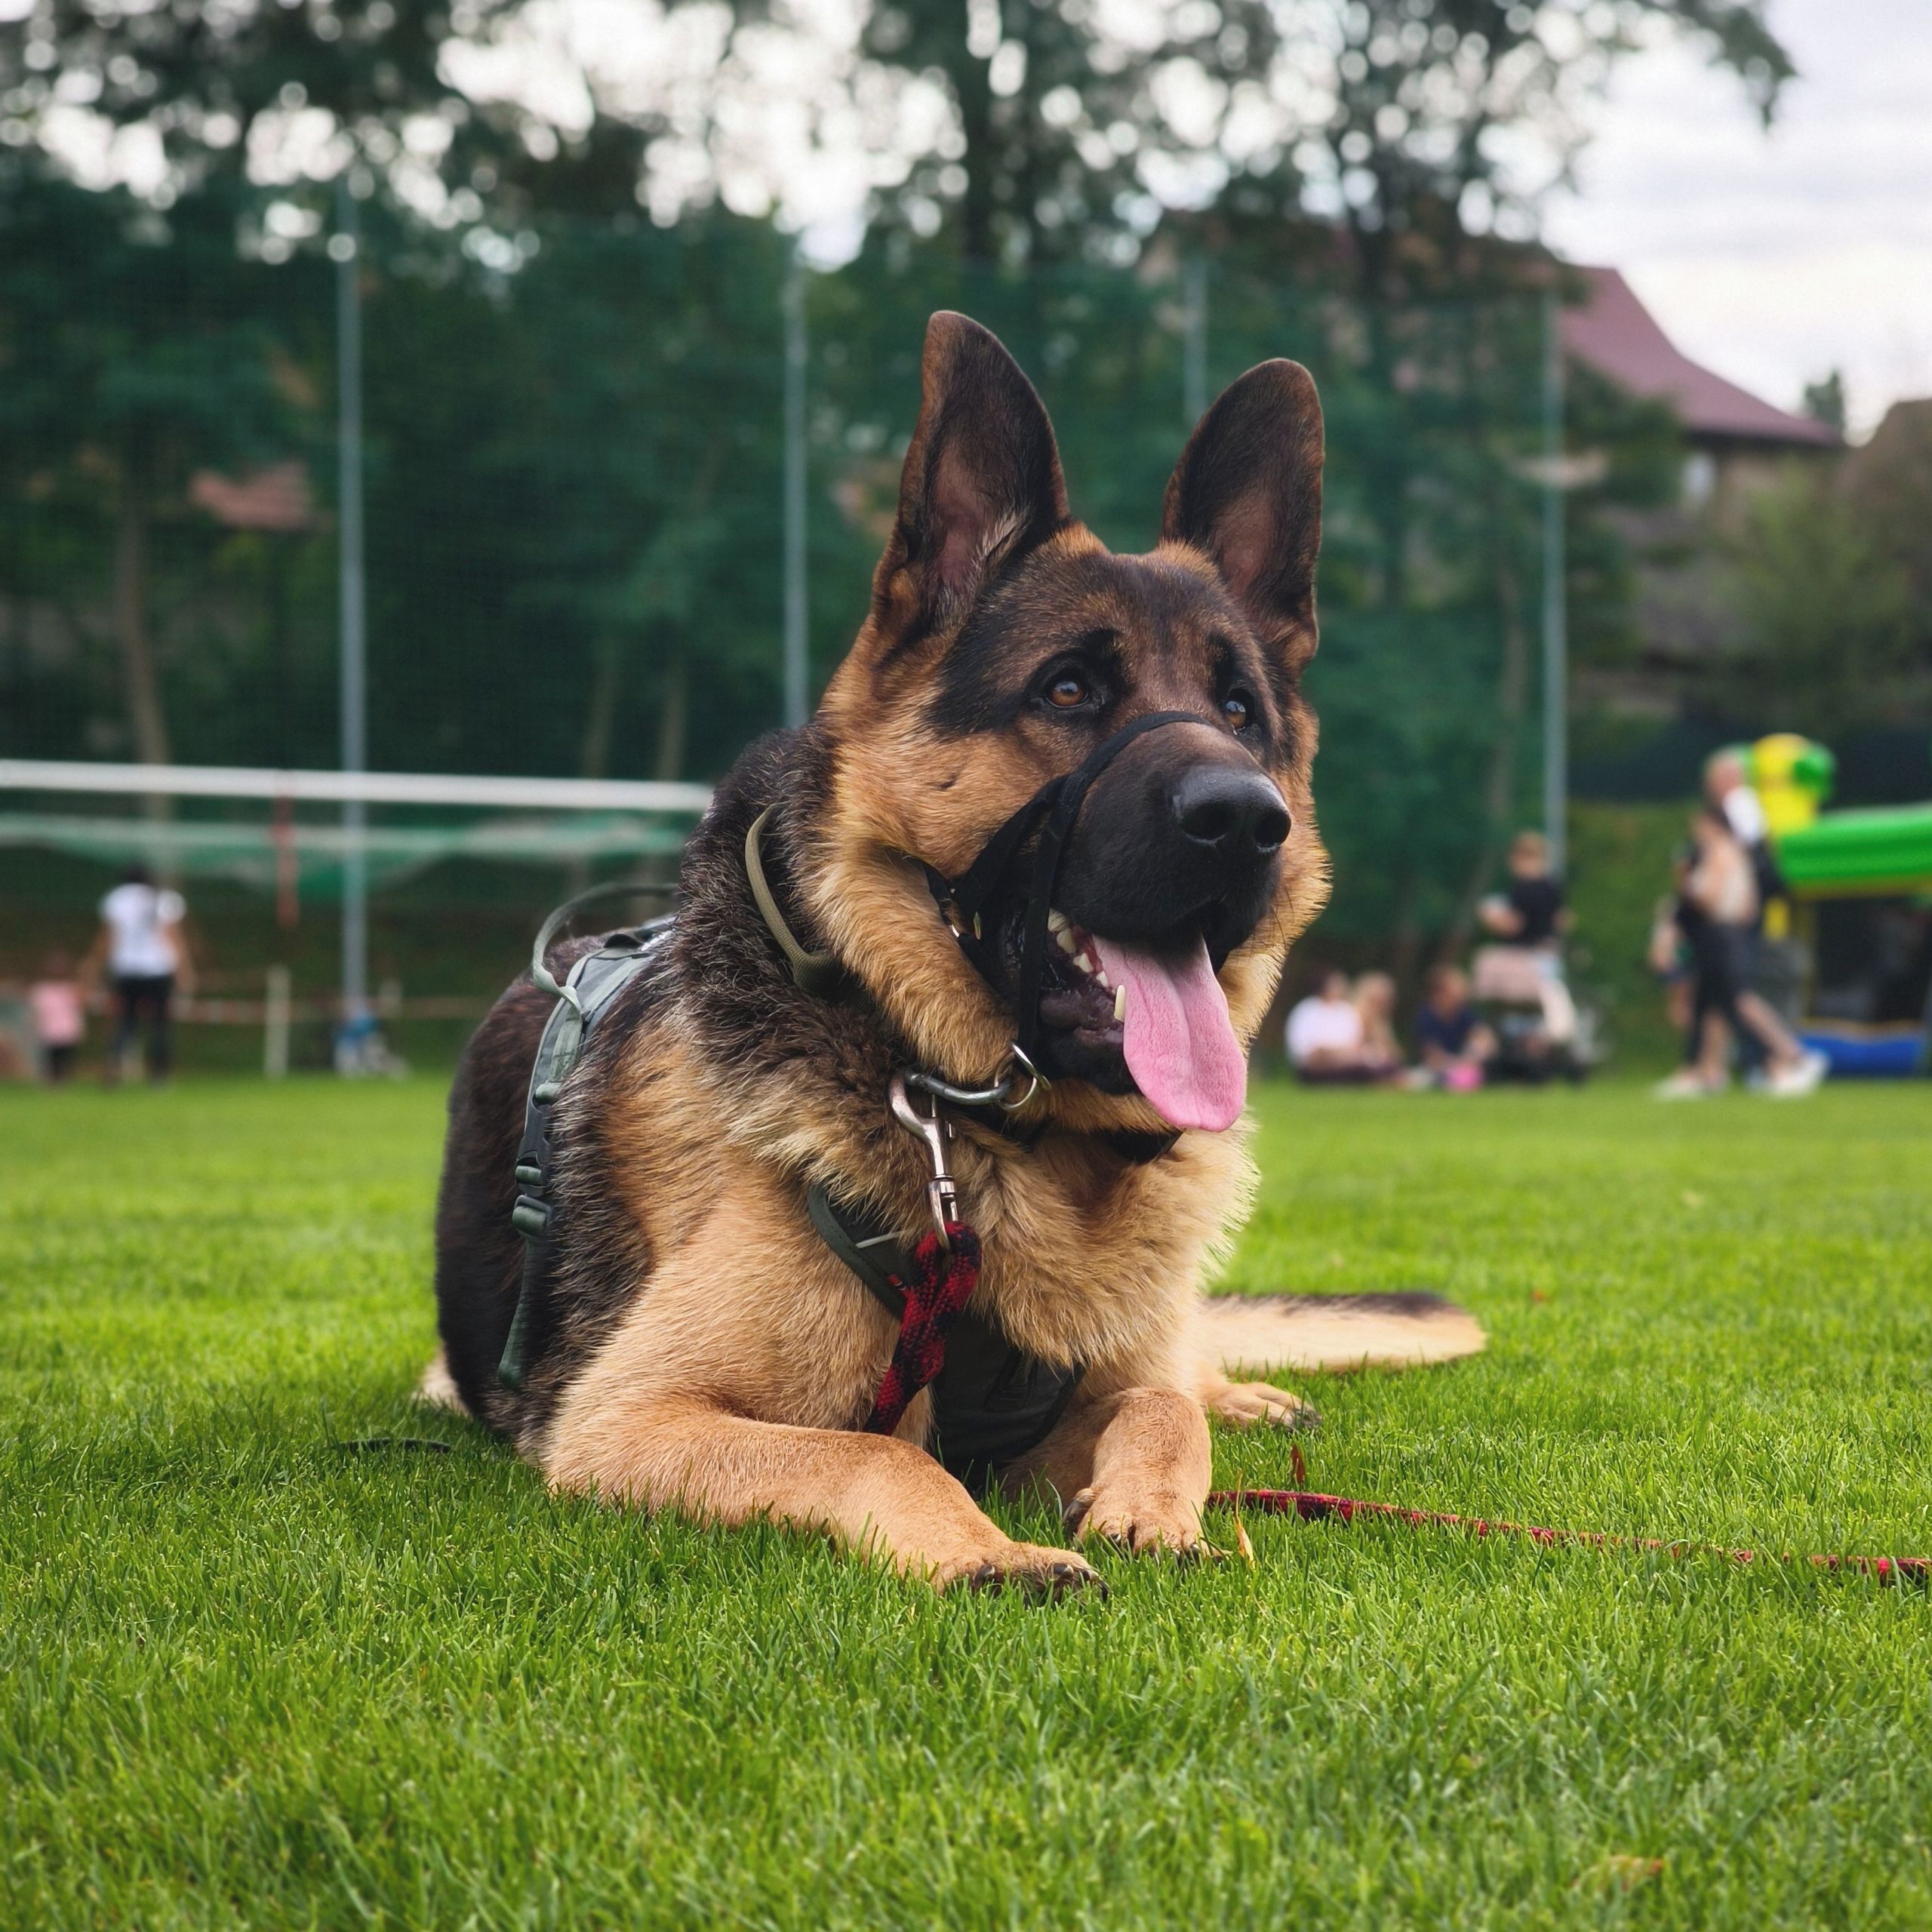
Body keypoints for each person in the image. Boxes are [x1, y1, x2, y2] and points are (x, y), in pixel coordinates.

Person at [1655, 809, 1826, 1100]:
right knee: (1711, 1005)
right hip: (1732, 935)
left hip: (1718, 935)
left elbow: (1707, 897)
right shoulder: (1741, 854)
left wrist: (1684, 879)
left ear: (1712, 825)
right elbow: (1750, 907)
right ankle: (1706, 1071)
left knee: (1738, 1000)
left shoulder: (1718, 853)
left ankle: (1793, 1055)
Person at [85, 864, 192, 1084]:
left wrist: (94, 964)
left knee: (125, 1023)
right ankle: (160, 1076)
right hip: (158, 970)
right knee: (160, 1025)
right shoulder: (164, 899)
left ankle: (113, 1068)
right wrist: (184, 969)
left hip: (126, 970)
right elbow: (173, 937)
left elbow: (108, 937)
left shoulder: (117, 899)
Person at [1475, 829, 1577, 1046]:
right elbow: (1563, 920)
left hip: (1522, 960)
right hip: (1547, 957)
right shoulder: (1553, 885)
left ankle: (1498, 1037)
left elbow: (1512, 925)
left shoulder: (1521, 888)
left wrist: (1490, 918)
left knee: (1484, 965)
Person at [1285, 970, 1401, 1084]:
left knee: (1380, 1066)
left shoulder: (1344, 1011)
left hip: (1342, 1061)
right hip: (1313, 1066)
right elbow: (1309, 1051)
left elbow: (1354, 1044)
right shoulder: (1308, 1010)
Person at [1414, 963, 1495, 1090]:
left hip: (1464, 1064)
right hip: (1437, 1069)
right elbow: (1432, 1055)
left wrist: (1473, 1054)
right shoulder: (1427, 1016)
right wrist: (1457, 1064)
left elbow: (1486, 1038)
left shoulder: (1465, 1013)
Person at [28, 950, 85, 1084]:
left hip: (68, 1031)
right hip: (49, 1032)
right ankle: (53, 1082)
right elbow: (35, 1012)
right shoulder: (41, 990)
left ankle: (64, 1081)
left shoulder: (71, 988)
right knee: (51, 1060)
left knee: (66, 1059)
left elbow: (81, 1004)